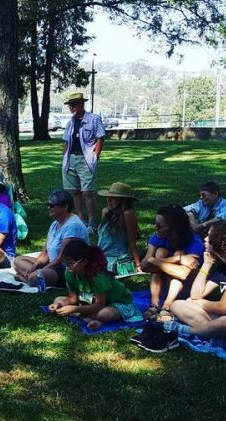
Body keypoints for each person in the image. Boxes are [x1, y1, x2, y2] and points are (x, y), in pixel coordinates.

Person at [155, 222, 226, 347]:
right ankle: (215, 334)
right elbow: (196, 294)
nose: (205, 238)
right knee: (178, 305)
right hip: (221, 318)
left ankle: (189, 330)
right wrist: (206, 264)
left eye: (209, 236)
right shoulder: (223, 267)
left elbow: (222, 307)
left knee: (223, 322)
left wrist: (198, 303)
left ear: (219, 241)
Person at [48, 239, 142, 331]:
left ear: (84, 262)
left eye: (71, 263)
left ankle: (91, 318)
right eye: (65, 263)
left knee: (103, 314)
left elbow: (99, 305)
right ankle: (90, 318)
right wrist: (59, 304)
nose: (67, 267)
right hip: (91, 303)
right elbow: (73, 299)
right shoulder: (69, 273)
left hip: (118, 304)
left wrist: (74, 309)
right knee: (57, 299)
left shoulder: (98, 277)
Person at [141, 204, 204, 322]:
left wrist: (154, 261)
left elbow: (183, 274)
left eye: (159, 226)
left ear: (173, 227)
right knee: (161, 251)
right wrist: (178, 259)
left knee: (176, 255)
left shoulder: (194, 242)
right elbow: (145, 266)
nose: (156, 228)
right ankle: (154, 304)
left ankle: (167, 306)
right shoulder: (158, 237)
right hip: (166, 283)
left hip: (187, 288)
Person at [13, 190, 89, 287]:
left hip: (66, 268)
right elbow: (45, 253)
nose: (49, 208)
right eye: (48, 205)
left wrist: (41, 270)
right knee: (17, 261)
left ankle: (25, 278)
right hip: (51, 264)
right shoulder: (55, 224)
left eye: (52, 205)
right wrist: (35, 266)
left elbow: (61, 258)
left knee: (35, 277)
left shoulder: (73, 226)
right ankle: (29, 275)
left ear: (65, 206)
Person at [61, 92, 106, 233]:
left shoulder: (94, 119)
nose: (72, 107)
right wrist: (64, 157)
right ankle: (80, 219)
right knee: (75, 192)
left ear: (81, 104)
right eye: (70, 105)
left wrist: (95, 156)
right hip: (71, 159)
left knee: (87, 192)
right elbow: (66, 142)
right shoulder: (70, 122)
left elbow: (100, 138)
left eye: (74, 105)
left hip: (85, 158)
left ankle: (92, 222)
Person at [97, 182, 141, 273]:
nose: (108, 200)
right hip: (101, 255)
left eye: (113, 197)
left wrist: (138, 265)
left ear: (122, 200)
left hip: (117, 258)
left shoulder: (128, 214)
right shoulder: (105, 211)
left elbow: (132, 242)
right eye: (108, 197)